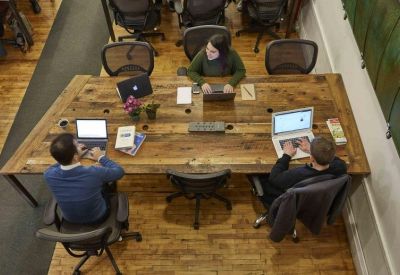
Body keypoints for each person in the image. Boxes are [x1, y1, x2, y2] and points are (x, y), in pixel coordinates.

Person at [44, 133, 124, 224]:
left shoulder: (48, 175)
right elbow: (120, 172)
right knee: (105, 185)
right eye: (77, 145)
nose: (81, 145)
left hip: (70, 220)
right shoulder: (94, 172)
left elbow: (56, 165)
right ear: (74, 156)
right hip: (98, 217)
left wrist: (72, 157)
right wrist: (101, 157)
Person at [261, 136, 347, 205]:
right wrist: (312, 150)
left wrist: (286, 155)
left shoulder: (299, 174)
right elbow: (337, 160)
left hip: (292, 202)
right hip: (318, 202)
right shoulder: (340, 167)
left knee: (263, 180)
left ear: (311, 158)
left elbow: (274, 178)